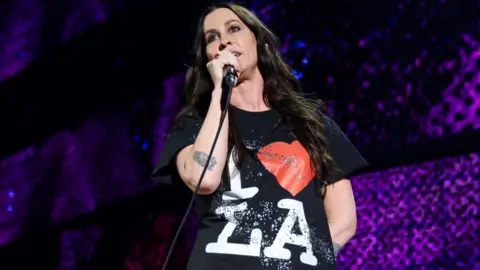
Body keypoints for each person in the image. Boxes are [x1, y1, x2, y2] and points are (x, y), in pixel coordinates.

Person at [152, 3, 368, 270]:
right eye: (212, 38)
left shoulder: (313, 126)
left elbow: (344, 221)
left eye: (234, 29)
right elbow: (205, 177)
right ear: (208, 59)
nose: (224, 41)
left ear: (260, 44)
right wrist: (221, 88)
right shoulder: (193, 126)